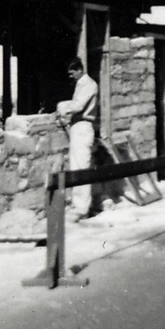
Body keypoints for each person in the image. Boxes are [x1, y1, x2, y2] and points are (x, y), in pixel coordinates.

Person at [56, 56, 99, 221]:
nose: (71, 76)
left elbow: (79, 105)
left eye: (73, 72)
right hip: (77, 127)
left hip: (83, 127)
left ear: (80, 69)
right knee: (76, 167)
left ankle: (82, 209)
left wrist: (62, 106)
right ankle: (79, 205)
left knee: (81, 168)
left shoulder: (89, 84)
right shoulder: (81, 84)